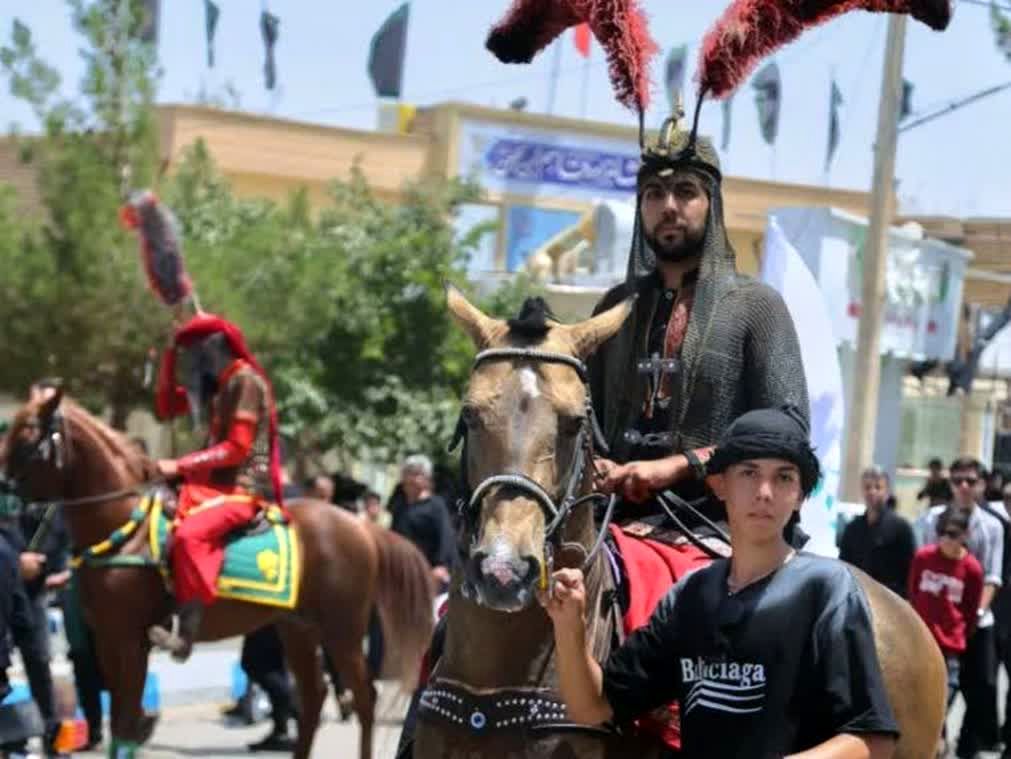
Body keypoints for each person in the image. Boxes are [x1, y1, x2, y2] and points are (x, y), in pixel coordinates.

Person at [541, 406, 898, 758]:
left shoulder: (826, 589)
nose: (765, 492)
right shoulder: (690, 595)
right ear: (719, 484)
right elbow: (594, 706)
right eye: (748, 473)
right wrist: (570, 626)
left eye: (784, 477)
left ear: (801, 496)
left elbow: (874, 740)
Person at [587, 111, 808, 522]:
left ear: (712, 204)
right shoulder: (613, 309)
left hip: (718, 524)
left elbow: (787, 426)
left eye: (685, 192)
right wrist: (597, 461)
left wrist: (678, 466)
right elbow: (583, 416)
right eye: (653, 193)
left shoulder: (756, 306)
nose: (668, 206)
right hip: (611, 517)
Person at [147, 313, 285, 663]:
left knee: (188, 535)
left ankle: (186, 635)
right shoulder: (219, 386)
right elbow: (165, 407)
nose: (189, 363)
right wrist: (168, 353)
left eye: (192, 354)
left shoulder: (245, 382)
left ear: (212, 350)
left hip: (241, 489)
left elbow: (237, 449)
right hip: (210, 487)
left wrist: (179, 465)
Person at [916, 456, 1004, 759]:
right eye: (958, 480)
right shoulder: (933, 519)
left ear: (981, 484)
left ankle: (967, 749)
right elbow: (924, 566)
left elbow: (992, 578)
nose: (964, 486)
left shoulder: (993, 525)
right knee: (933, 692)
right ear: (950, 483)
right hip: (937, 624)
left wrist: (972, 617)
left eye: (971, 480)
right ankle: (935, 746)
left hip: (977, 622)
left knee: (983, 690)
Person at [0, 471, 69, 757]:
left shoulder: (27, 486)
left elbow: (58, 530)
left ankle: (52, 734)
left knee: (39, 662)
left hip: (28, 589)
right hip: (11, 578)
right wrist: (17, 563)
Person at [907, 506, 983, 754]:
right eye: (941, 533)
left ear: (964, 535)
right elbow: (913, 592)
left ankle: (937, 742)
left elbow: (971, 610)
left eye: (951, 534)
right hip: (920, 641)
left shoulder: (971, 569)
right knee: (917, 702)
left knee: (942, 700)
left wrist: (958, 633)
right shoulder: (923, 558)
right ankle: (933, 745)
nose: (945, 540)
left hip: (949, 647)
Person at [838, 466, 916, 598]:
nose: (872, 491)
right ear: (862, 490)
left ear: (887, 491)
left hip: (889, 602)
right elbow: (843, 566)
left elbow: (911, 571)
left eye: (878, 487)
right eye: (867, 487)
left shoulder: (901, 527)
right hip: (857, 600)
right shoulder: (852, 528)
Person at [390, 454, 455, 592]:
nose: (410, 479)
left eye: (416, 474)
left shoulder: (436, 506)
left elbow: (446, 537)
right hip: (400, 572)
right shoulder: (399, 507)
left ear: (426, 479)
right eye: (407, 473)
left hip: (428, 574)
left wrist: (441, 565)